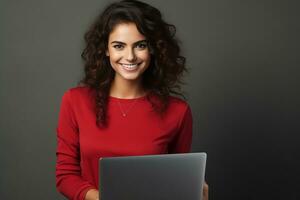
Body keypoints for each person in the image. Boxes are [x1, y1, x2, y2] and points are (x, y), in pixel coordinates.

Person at [55, 0, 208, 200]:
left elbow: (175, 182)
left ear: (153, 49)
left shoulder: (178, 112)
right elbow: (65, 176)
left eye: (140, 45)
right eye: (119, 46)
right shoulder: (75, 101)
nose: (130, 56)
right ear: (106, 49)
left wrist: (194, 193)